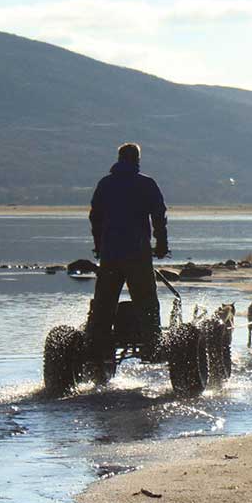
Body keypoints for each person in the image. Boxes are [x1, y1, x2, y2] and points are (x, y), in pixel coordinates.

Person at [86, 142, 169, 357]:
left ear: (119, 159)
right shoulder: (146, 184)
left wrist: (98, 245)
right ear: (137, 160)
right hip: (137, 253)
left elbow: (95, 217)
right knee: (146, 301)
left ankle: (97, 348)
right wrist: (161, 245)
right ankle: (153, 346)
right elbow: (159, 216)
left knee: (104, 305)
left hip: (110, 254)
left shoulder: (105, 184)